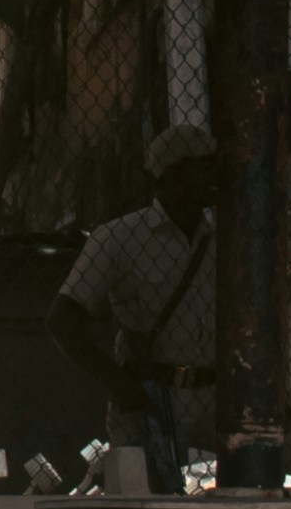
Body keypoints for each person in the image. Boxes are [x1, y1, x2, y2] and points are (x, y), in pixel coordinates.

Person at [59, 125, 223, 472]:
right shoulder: (118, 237)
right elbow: (62, 319)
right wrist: (117, 382)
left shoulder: (223, 240)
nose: (214, 173)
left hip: (218, 394)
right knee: (161, 506)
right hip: (153, 396)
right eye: (203, 165)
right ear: (173, 173)